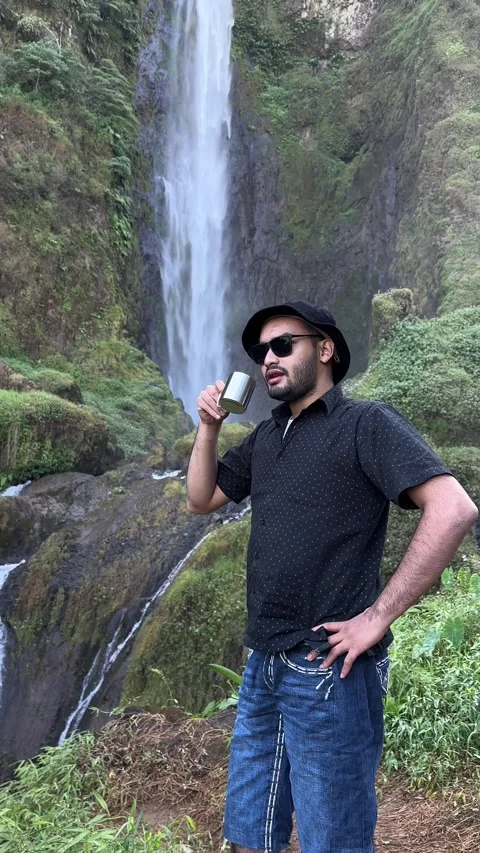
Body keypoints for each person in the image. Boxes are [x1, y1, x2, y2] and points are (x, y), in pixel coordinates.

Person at [186, 300, 478, 853]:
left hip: (328, 669)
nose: (267, 359)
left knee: (333, 842)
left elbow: (453, 508)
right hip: (263, 663)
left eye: (282, 345)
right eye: (260, 352)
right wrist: (208, 427)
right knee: (249, 836)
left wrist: (377, 617)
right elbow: (201, 499)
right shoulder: (268, 437)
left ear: (324, 349)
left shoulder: (366, 424)